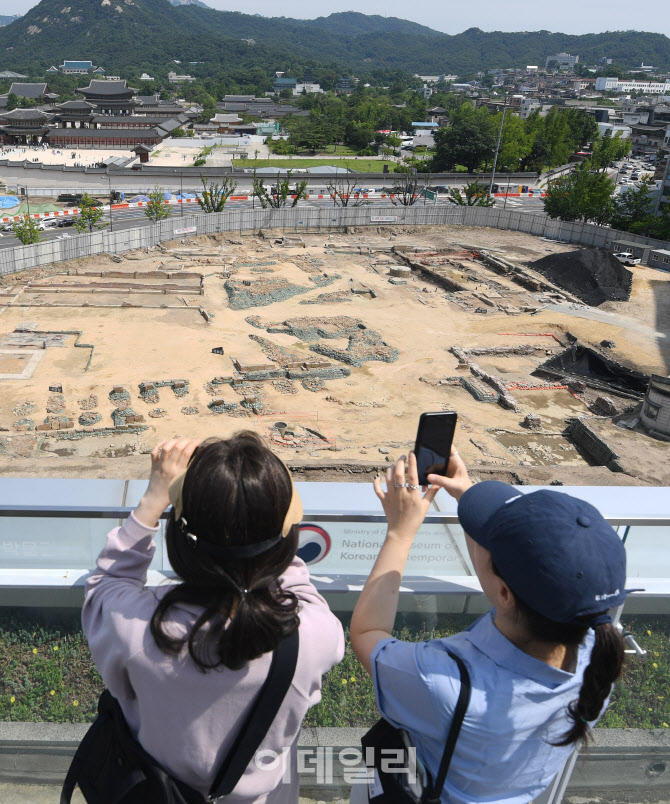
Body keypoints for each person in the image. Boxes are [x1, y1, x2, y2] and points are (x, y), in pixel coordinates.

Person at [350, 448, 628, 804]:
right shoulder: (598, 663)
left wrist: (400, 534)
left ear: (504, 592)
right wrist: (468, 496)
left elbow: (367, 635)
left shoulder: (441, 681)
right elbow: (513, 587)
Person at [83, 432, 344, 802]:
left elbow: (107, 582)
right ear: (285, 541)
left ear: (180, 540)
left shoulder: (137, 629)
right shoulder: (313, 636)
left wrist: (155, 496)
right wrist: (259, 508)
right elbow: (296, 585)